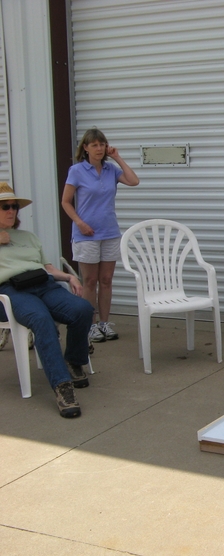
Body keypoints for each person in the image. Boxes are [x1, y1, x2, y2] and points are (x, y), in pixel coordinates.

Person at [0, 182, 95, 418]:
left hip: (43, 284)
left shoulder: (28, 237)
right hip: (13, 292)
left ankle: (74, 360)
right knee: (42, 320)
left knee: (82, 308)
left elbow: (46, 267)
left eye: (14, 206)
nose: (11, 211)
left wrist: (68, 277)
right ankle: (63, 386)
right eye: (5, 207)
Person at [61, 128, 140, 344]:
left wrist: (117, 157)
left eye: (102, 144)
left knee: (106, 280)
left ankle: (104, 322)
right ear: (85, 148)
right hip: (86, 234)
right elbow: (66, 201)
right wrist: (79, 222)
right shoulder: (77, 171)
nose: (99, 148)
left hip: (109, 232)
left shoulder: (111, 170)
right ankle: (90, 325)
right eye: (94, 145)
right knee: (90, 280)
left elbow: (134, 181)